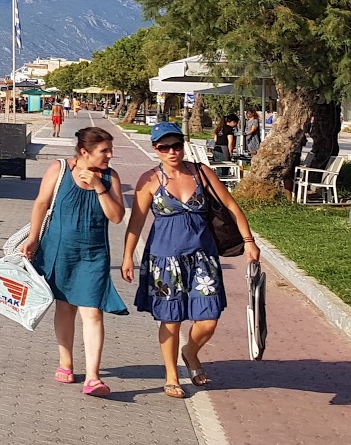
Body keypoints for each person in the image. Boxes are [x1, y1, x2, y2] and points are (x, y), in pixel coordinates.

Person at [122, 122, 260, 399]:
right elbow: (135, 223)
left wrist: (249, 242)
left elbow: (231, 206)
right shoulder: (149, 181)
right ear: (155, 149)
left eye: (176, 145)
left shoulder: (201, 173)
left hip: (202, 258)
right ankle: (171, 376)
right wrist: (127, 256)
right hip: (164, 260)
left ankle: (190, 352)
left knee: (209, 318)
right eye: (164, 147)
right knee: (170, 319)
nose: (172, 152)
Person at [19, 127, 127, 397]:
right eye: (104, 151)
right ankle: (66, 362)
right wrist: (33, 238)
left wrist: (99, 186)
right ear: (83, 152)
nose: (110, 156)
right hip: (58, 250)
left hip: (93, 253)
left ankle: (93, 377)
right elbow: (41, 204)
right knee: (65, 308)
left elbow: (116, 217)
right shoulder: (59, 170)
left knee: (93, 311)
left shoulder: (110, 177)